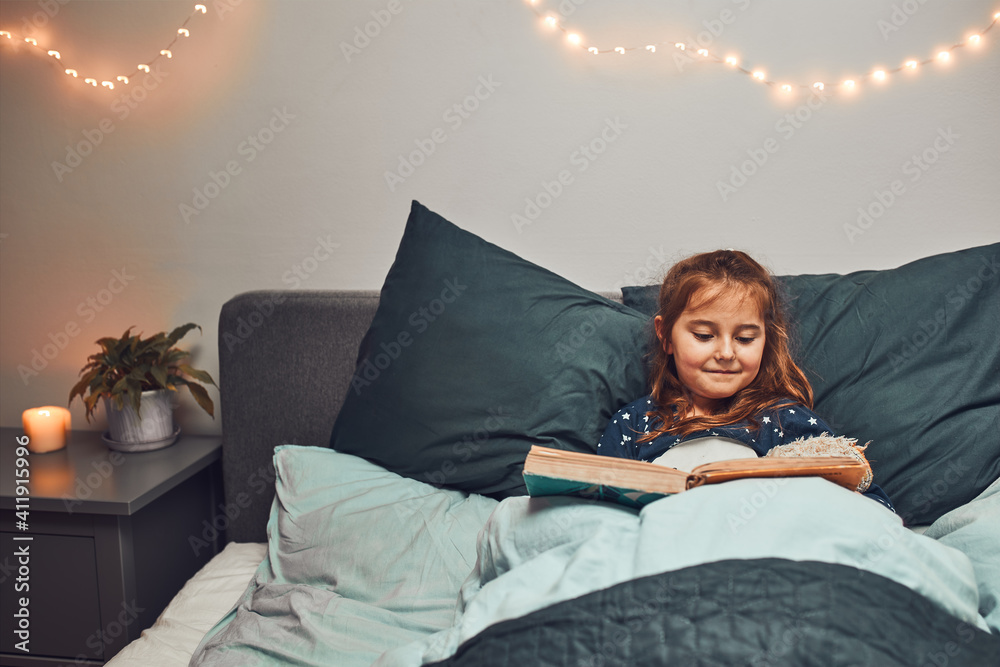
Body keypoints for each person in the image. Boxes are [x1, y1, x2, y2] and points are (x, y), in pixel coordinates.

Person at [597, 249, 894, 510]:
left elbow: (871, 504)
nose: (726, 352)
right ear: (665, 336)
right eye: (704, 335)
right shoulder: (633, 423)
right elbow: (601, 508)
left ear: (766, 339)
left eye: (744, 338)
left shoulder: (783, 419)